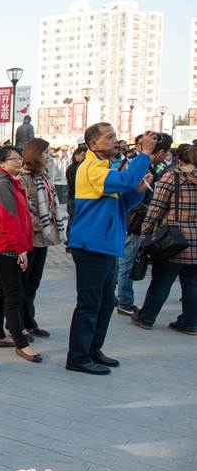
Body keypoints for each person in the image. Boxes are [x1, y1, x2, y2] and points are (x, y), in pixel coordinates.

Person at [66, 124, 155, 375]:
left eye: (115, 136)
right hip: (91, 245)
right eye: (110, 137)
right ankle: (78, 356)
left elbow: (122, 201)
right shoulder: (91, 167)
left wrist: (138, 190)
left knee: (106, 303)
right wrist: (144, 155)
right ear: (93, 144)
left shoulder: (104, 167)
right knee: (90, 304)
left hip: (105, 245)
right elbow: (125, 179)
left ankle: (93, 350)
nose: (116, 141)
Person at [131, 145, 196, 334]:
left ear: (180, 161)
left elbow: (156, 207)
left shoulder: (173, 177)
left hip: (174, 239)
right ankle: (190, 322)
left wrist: (146, 233)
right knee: (192, 282)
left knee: (162, 280)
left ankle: (147, 317)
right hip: (195, 241)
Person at [0, 147, 41, 362]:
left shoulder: (10, 181)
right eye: (13, 159)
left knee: (3, 292)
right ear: (1, 163)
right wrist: (20, 250)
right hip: (6, 246)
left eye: (19, 158)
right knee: (13, 295)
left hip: (10, 244)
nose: (18, 162)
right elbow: (8, 219)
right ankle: (20, 342)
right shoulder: (2, 184)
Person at [116, 133, 173, 316]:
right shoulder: (138, 165)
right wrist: (149, 210)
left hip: (146, 220)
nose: (167, 156)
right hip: (136, 220)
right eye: (166, 152)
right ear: (161, 151)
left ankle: (121, 297)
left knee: (129, 260)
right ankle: (124, 301)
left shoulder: (157, 168)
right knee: (127, 261)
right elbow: (127, 192)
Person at [17, 138, 63, 339]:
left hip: (42, 239)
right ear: (35, 155)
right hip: (29, 239)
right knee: (23, 284)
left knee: (33, 283)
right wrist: (39, 225)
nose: (48, 157)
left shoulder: (43, 176)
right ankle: (18, 324)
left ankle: (30, 321)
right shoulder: (22, 178)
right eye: (45, 153)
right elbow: (23, 208)